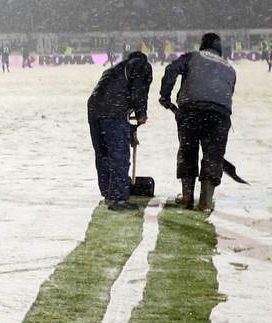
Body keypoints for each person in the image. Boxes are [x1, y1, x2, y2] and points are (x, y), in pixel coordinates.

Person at [159, 33, 236, 211]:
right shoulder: (230, 68)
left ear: (203, 45)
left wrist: (165, 95)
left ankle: (187, 197)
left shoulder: (193, 56)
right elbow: (227, 93)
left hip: (191, 110)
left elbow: (171, 69)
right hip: (220, 115)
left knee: (188, 150)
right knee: (213, 155)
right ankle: (205, 201)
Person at [87, 50, 152, 211]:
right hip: (113, 111)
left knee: (103, 154)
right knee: (119, 156)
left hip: (94, 110)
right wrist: (141, 113)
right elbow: (138, 89)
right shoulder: (139, 65)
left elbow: (115, 95)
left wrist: (130, 131)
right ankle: (119, 199)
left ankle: (109, 193)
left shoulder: (113, 69)